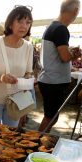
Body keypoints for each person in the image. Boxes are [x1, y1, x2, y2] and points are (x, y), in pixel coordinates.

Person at [0, 6, 34, 127]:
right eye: (20, 21)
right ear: (10, 24)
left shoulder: (28, 47)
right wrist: (2, 77)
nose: (24, 26)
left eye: (28, 22)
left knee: (11, 134)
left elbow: (28, 72)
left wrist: (27, 81)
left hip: (15, 101)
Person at [38, 0, 81, 132]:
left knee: (52, 117)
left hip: (49, 79)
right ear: (75, 11)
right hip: (53, 81)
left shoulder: (52, 26)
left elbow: (58, 53)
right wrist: (75, 55)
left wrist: (70, 52)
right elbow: (65, 57)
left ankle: (38, 140)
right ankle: (35, 142)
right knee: (50, 117)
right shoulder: (61, 29)